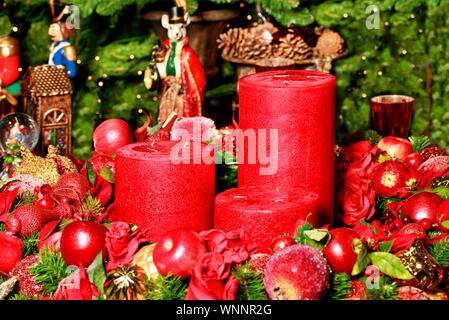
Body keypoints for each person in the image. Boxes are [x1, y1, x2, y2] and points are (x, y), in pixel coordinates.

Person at [152, 6, 206, 123]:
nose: (177, 32)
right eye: (172, 28)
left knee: (180, 119)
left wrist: (187, 90)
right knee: (166, 118)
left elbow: (198, 78)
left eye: (180, 27)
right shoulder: (166, 52)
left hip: (182, 95)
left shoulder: (187, 54)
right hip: (168, 94)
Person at [48, 1, 77, 82]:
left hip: (65, 86)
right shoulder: (54, 47)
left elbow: (72, 72)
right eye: (50, 28)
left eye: (54, 28)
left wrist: (56, 76)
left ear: (63, 29)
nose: (50, 32)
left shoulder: (67, 49)